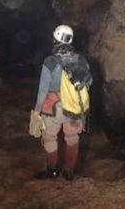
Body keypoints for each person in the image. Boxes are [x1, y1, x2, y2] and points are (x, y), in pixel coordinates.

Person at [31, 24, 92, 181]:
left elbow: (43, 89)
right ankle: (69, 172)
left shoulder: (50, 62)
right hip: (74, 107)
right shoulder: (81, 59)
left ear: (55, 39)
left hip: (54, 108)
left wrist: (37, 111)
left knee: (50, 138)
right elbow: (88, 82)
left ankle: (52, 171)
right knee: (72, 138)